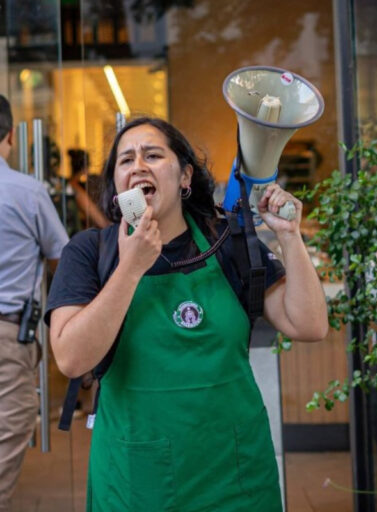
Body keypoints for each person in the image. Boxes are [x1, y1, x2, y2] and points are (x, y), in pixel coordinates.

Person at [45, 117, 328, 511]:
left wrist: (289, 236)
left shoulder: (228, 243)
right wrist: (131, 267)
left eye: (153, 155)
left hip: (235, 474)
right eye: (125, 160)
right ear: (117, 184)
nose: (138, 165)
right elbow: (72, 358)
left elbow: (310, 324)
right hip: (137, 480)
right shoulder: (91, 252)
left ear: (185, 176)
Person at [0, 94, 69, 510]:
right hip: (8, 337)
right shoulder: (26, 191)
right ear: (10, 136)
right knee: (5, 442)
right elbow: (62, 258)